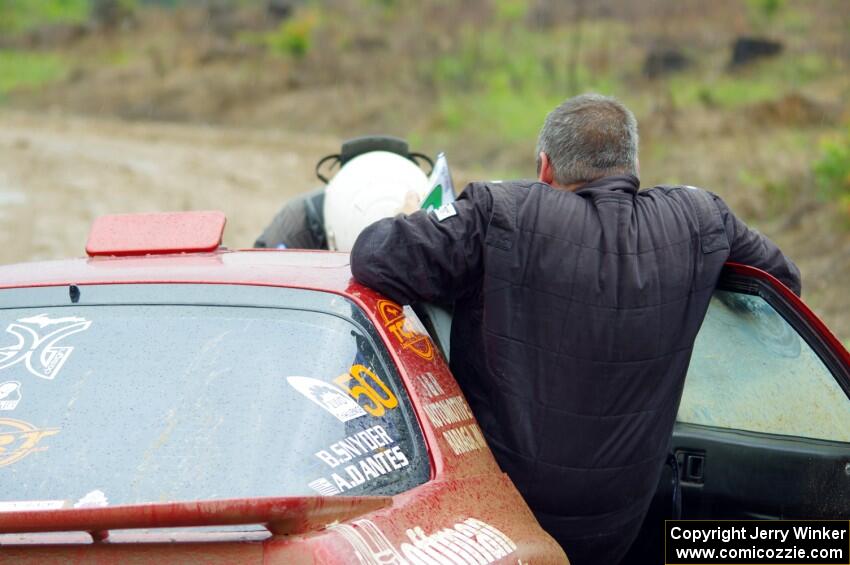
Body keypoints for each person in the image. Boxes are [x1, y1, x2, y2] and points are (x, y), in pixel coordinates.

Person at [349, 94, 800, 565]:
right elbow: (780, 286)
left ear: (544, 168)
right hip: (619, 527)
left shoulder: (498, 211)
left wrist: (412, 217)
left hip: (503, 522)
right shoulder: (701, 220)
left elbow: (375, 257)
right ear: (633, 165)